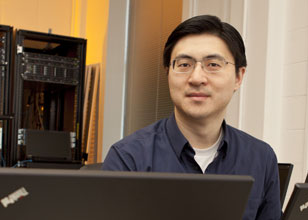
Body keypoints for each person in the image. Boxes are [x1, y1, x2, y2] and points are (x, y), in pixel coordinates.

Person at [103, 15, 281, 220]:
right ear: (168, 73)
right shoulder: (128, 158)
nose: (196, 78)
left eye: (213, 64)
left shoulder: (261, 158)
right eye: (184, 64)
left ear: (238, 77)